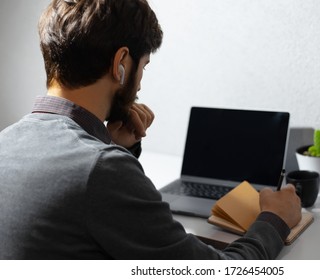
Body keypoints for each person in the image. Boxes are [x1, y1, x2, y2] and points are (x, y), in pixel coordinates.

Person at [0, 0, 301, 259]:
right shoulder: (102, 170)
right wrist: (275, 219)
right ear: (121, 63)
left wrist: (112, 147)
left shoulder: (6, 141)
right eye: (143, 66)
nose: (140, 83)